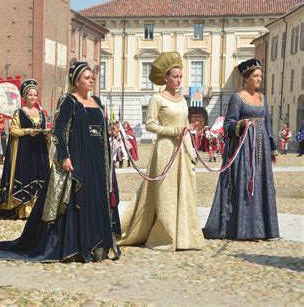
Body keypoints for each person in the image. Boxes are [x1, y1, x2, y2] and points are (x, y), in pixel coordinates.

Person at [0, 62, 121, 262]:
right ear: (76, 81)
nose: (91, 80)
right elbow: (59, 130)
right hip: (78, 158)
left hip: (98, 160)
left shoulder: (98, 102)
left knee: (95, 197)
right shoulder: (69, 102)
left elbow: (99, 129)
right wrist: (64, 156)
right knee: (76, 199)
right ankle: (74, 244)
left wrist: (110, 133)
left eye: (92, 77)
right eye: (86, 77)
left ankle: (97, 243)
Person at [119, 51, 205, 251]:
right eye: (175, 77)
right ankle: (165, 235)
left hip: (182, 149)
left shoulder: (183, 100)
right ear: (165, 78)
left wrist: (191, 148)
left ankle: (186, 236)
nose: (178, 80)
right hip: (165, 149)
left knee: (185, 190)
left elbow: (184, 123)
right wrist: (173, 131)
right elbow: (149, 125)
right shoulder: (157, 99)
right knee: (165, 192)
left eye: (181, 77)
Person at [203, 59, 279, 240]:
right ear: (246, 78)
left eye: (261, 75)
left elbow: (268, 125)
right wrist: (241, 124)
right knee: (246, 185)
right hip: (244, 150)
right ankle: (244, 229)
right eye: (255, 76)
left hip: (262, 148)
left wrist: (273, 149)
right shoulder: (237, 98)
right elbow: (227, 125)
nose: (259, 79)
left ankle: (264, 229)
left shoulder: (262, 99)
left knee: (262, 185)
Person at [0, 79, 50, 219]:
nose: (33, 98)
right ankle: (24, 209)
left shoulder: (41, 113)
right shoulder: (19, 113)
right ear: (24, 96)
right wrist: (28, 131)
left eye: (35, 95)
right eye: (30, 95)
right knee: (26, 176)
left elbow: (43, 129)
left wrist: (47, 134)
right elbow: (13, 131)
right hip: (25, 150)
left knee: (39, 177)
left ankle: (37, 208)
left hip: (38, 150)